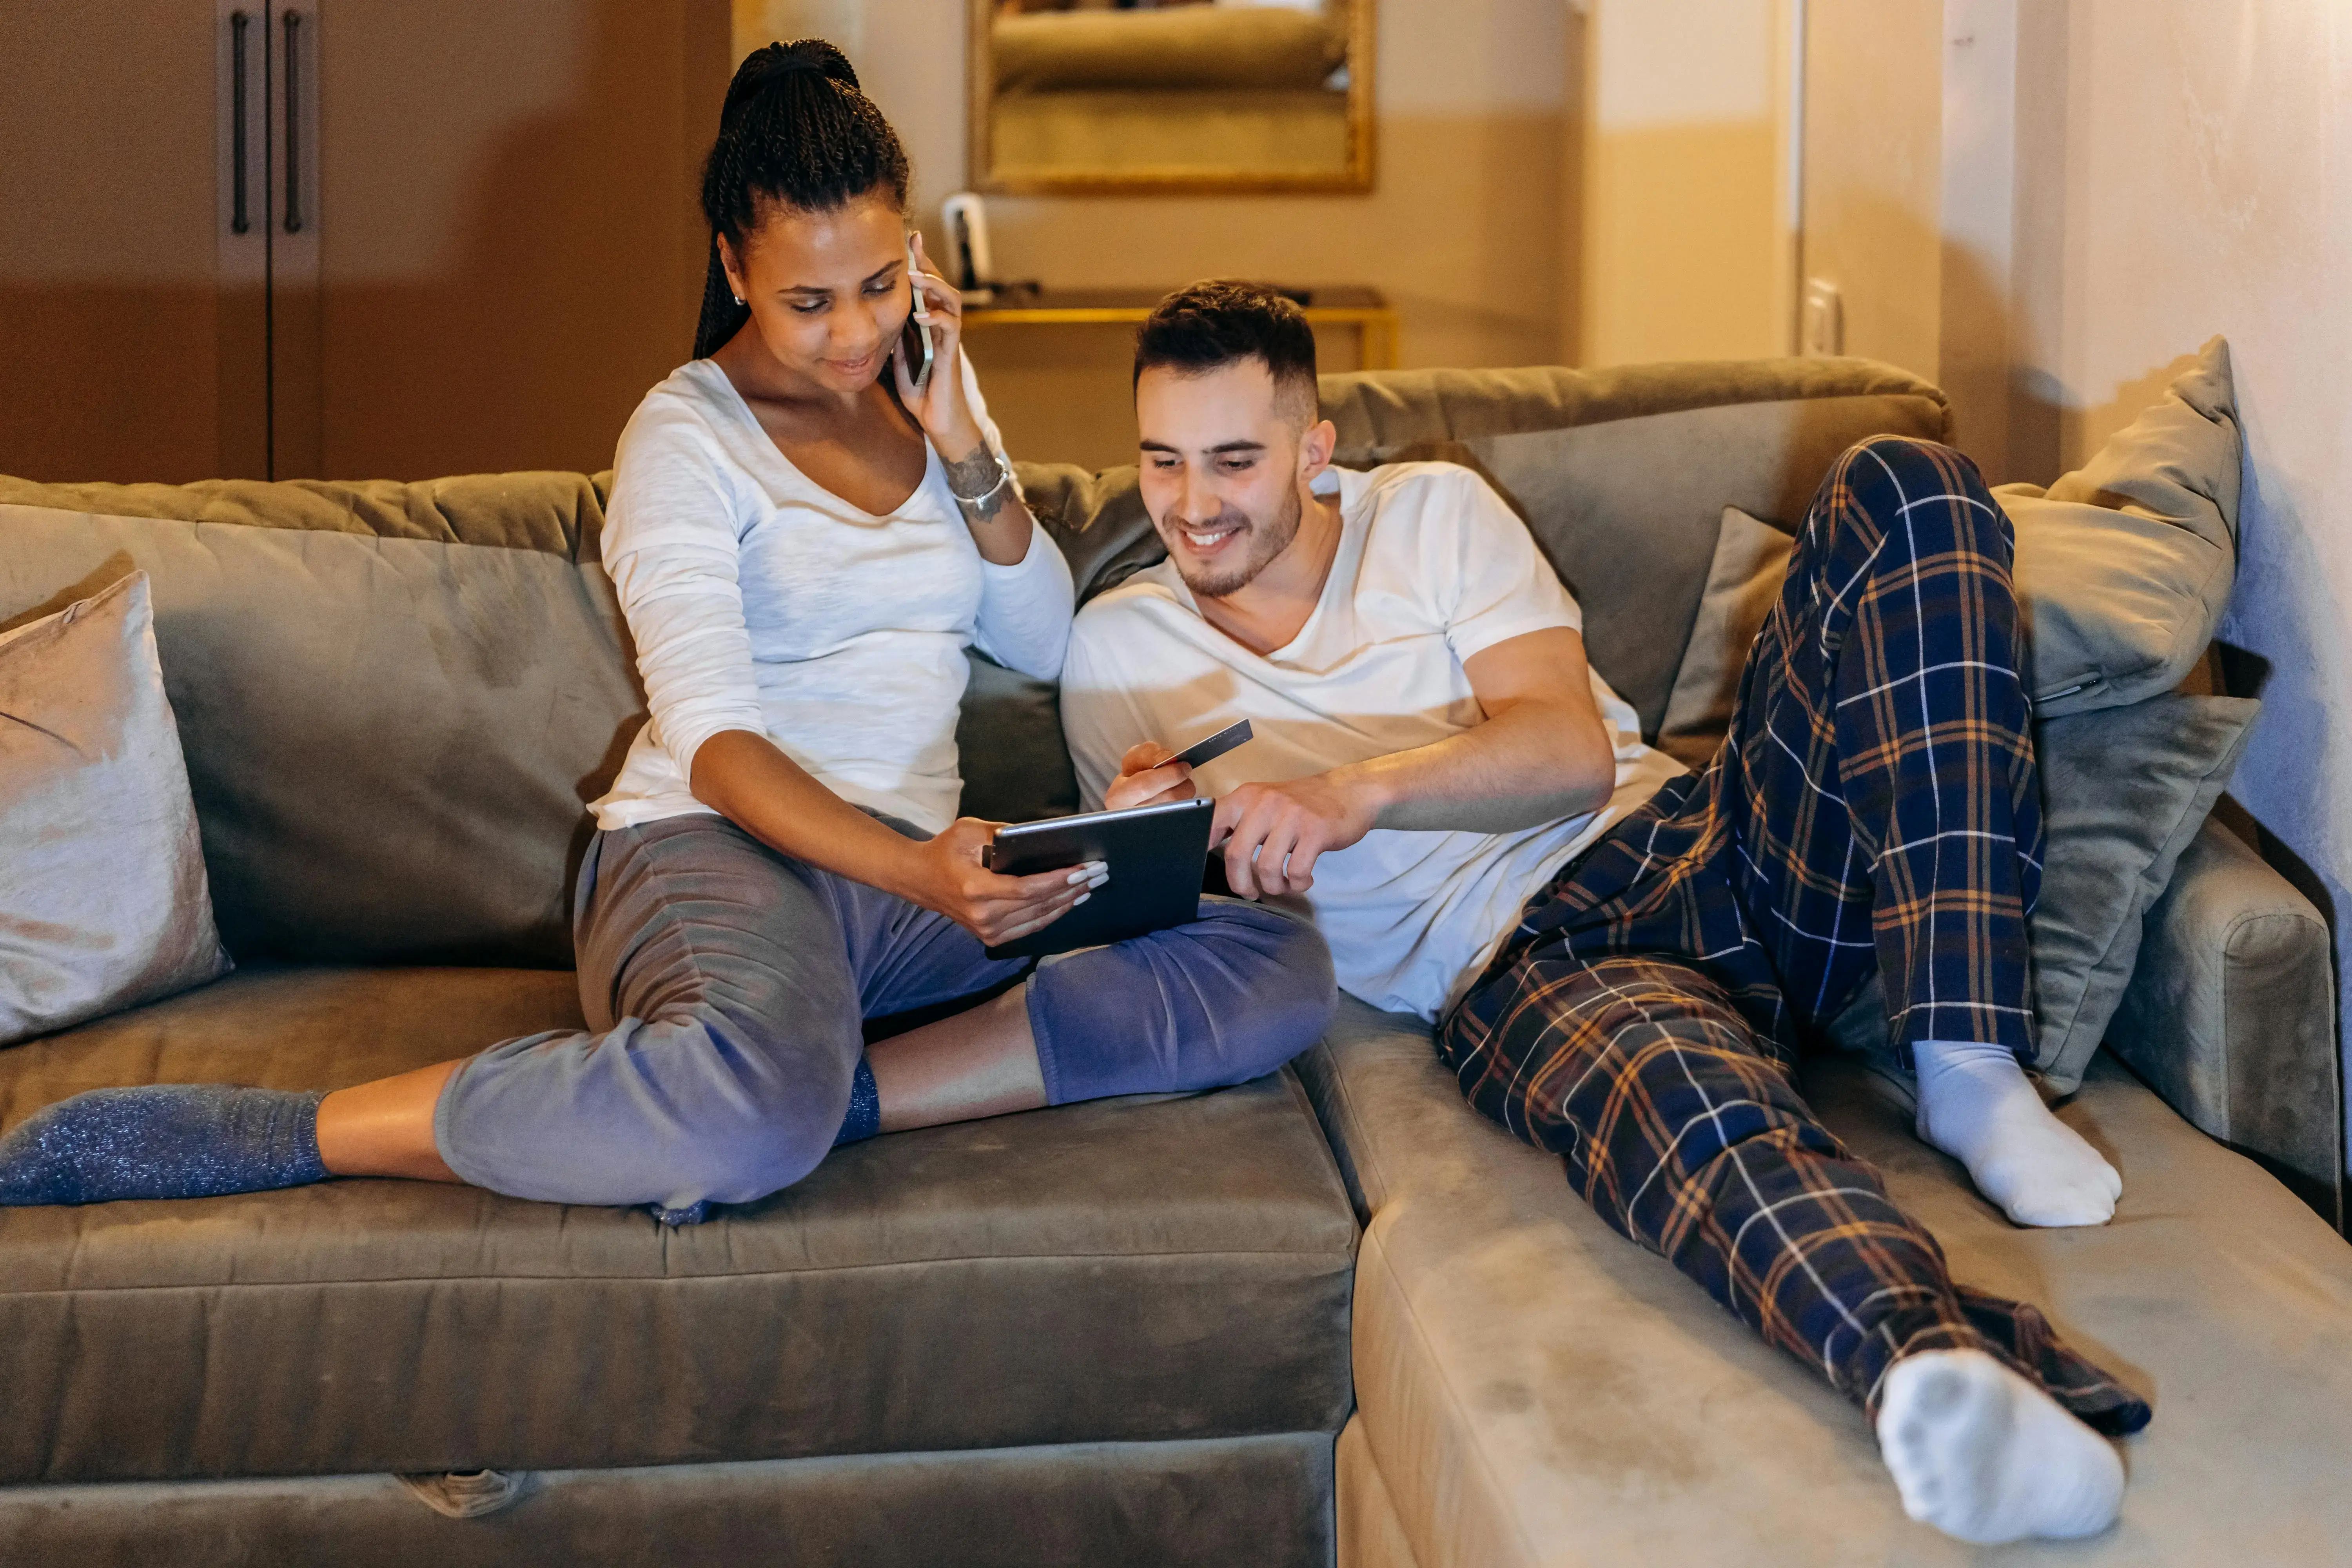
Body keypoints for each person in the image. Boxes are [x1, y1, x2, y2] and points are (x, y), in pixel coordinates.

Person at [0, 45, 1333, 1224]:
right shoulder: (683, 439)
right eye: (812, 303)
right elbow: (712, 748)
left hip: (899, 897)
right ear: (733, 266)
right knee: (743, 1122)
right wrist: (925, 870)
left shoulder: (926, 399)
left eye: (880, 284)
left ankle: (837, 1098)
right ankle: (291, 1134)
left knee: (1274, 964)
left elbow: (1043, 642)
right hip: (714, 856)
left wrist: (966, 446)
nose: (858, 331)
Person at [1063, 281, 2149, 1546]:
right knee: (1694, 1122)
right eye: (1163, 462)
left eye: (1235, 462)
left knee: (1906, 480)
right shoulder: (1117, 655)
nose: (1193, 506)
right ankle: (1942, 1376)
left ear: (1313, 450)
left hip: (1702, 845)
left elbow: (1568, 754)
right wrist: (1166, 846)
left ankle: (1966, 1055)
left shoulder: (1431, 514)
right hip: (1527, 964)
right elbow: (1159, 931)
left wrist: (1351, 793)